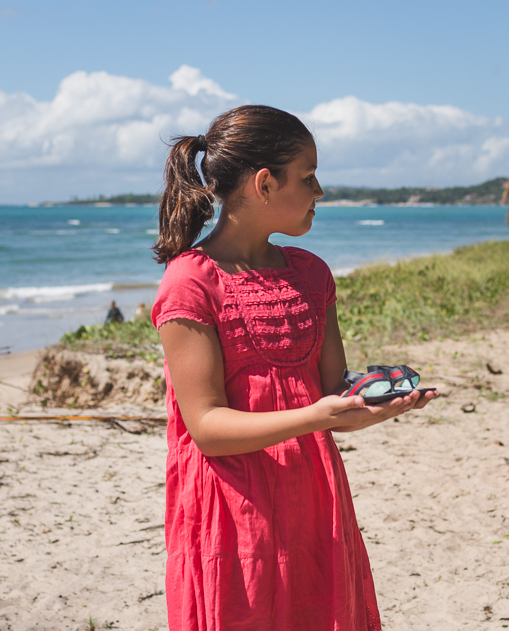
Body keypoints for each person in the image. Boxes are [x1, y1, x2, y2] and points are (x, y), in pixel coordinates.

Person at [150, 104, 436, 630]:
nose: (319, 191)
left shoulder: (312, 274)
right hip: (234, 510)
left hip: (314, 499)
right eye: (307, 177)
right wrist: (317, 416)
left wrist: (377, 403)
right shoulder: (190, 282)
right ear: (264, 184)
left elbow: (332, 394)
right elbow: (207, 428)